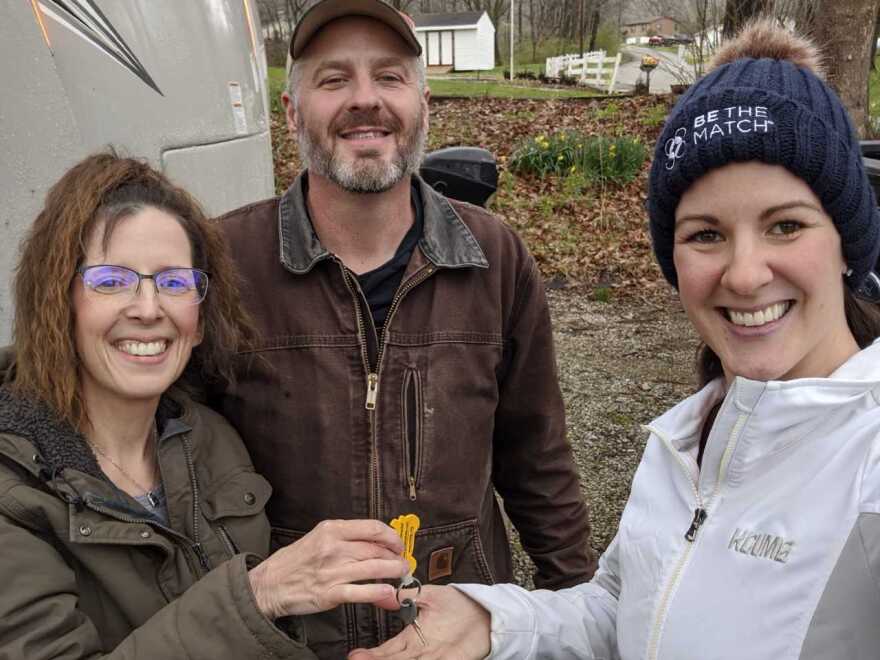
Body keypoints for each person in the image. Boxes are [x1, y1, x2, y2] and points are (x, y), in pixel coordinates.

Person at [349, 20, 880, 660]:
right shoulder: (688, 439)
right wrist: (495, 623)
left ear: (848, 242)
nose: (743, 273)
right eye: (706, 234)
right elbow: (624, 612)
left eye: (786, 226)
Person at [211, 0, 595, 655]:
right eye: (334, 79)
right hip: (287, 642)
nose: (366, 100)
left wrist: (579, 609)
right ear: (292, 111)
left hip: (452, 636)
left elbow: (538, 460)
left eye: (389, 77)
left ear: (422, 103)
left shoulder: (495, 258)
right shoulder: (225, 264)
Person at [0, 152, 412, 658]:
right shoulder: (14, 486)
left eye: (174, 283)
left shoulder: (209, 438)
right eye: (111, 281)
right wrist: (257, 597)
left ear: (200, 316)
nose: (149, 309)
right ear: (58, 301)